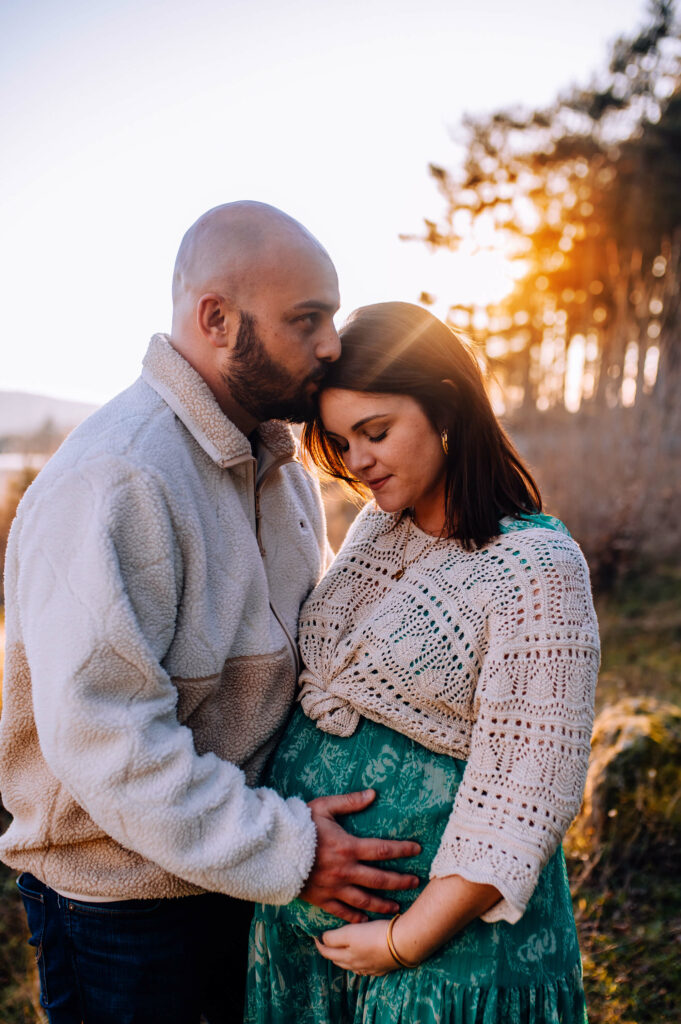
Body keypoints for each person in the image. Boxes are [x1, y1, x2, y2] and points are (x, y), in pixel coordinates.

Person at [0, 206, 421, 1024]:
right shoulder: (117, 481)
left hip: (242, 872)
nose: (333, 344)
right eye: (308, 319)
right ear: (217, 320)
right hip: (127, 911)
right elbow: (107, 741)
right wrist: (291, 851)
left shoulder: (281, 466)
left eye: (332, 314)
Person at [246, 301, 601, 1024]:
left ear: (443, 406)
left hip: (444, 958)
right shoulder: (379, 529)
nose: (357, 462)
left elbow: (525, 790)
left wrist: (405, 940)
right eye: (342, 442)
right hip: (310, 937)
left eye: (376, 432)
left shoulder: (534, 566)